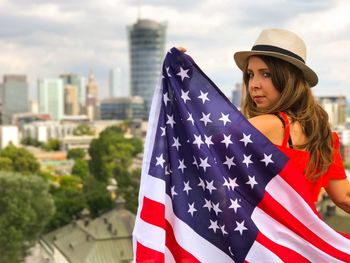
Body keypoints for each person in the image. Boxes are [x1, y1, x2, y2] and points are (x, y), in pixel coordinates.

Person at [178, 28, 350, 214]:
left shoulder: (266, 125)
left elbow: (195, 152)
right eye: (251, 74)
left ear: (289, 79)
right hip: (304, 240)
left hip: (261, 242)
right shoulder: (323, 135)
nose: (254, 84)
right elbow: (344, 198)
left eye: (266, 74)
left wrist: (178, 79)